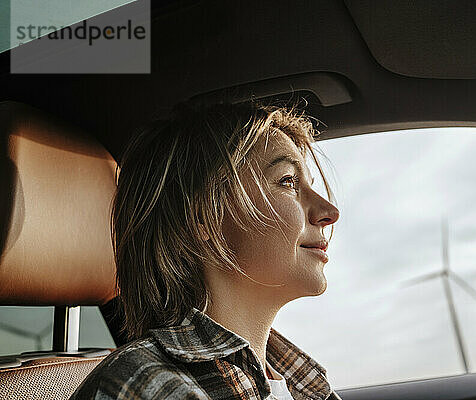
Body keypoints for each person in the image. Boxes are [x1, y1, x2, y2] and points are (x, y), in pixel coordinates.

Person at [70, 100, 341, 400]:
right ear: (205, 217)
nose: (329, 211)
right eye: (288, 181)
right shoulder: (147, 386)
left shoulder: (297, 380)